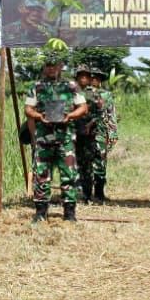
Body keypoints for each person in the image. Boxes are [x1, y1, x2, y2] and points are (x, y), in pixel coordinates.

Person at [24, 49, 88, 223]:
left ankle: (69, 213)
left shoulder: (71, 86)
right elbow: (28, 109)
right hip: (43, 139)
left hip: (65, 139)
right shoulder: (36, 87)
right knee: (41, 176)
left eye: (55, 65)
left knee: (69, 175)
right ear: (44, 67)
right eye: (48, 65)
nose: (51, 68)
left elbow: (83, 107)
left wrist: (70, 116)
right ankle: (40, 213)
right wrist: (39, 117)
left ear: (61, 66)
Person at [72, 64, 104, 204]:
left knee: (88, 165)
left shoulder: (94, 94)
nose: (83, 78)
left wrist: (91, 124)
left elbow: (99, 113)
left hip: (89, 135)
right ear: (77, 77)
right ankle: (77, 194)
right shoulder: (71, 91)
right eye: (81, 75)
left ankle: (87, 194)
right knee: (74, 164)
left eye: (86, 75)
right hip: (73, 134)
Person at [90, 67, 118, 203]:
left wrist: (113, 133)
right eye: (92, 77)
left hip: (100, 132)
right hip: (85, 133)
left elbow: (111, 115)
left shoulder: (106, 95)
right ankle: (86, 194)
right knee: (85, 164)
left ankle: (99, 193)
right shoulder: (82, 94)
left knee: (100, 163)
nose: (94, 80)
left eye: (97, 77)